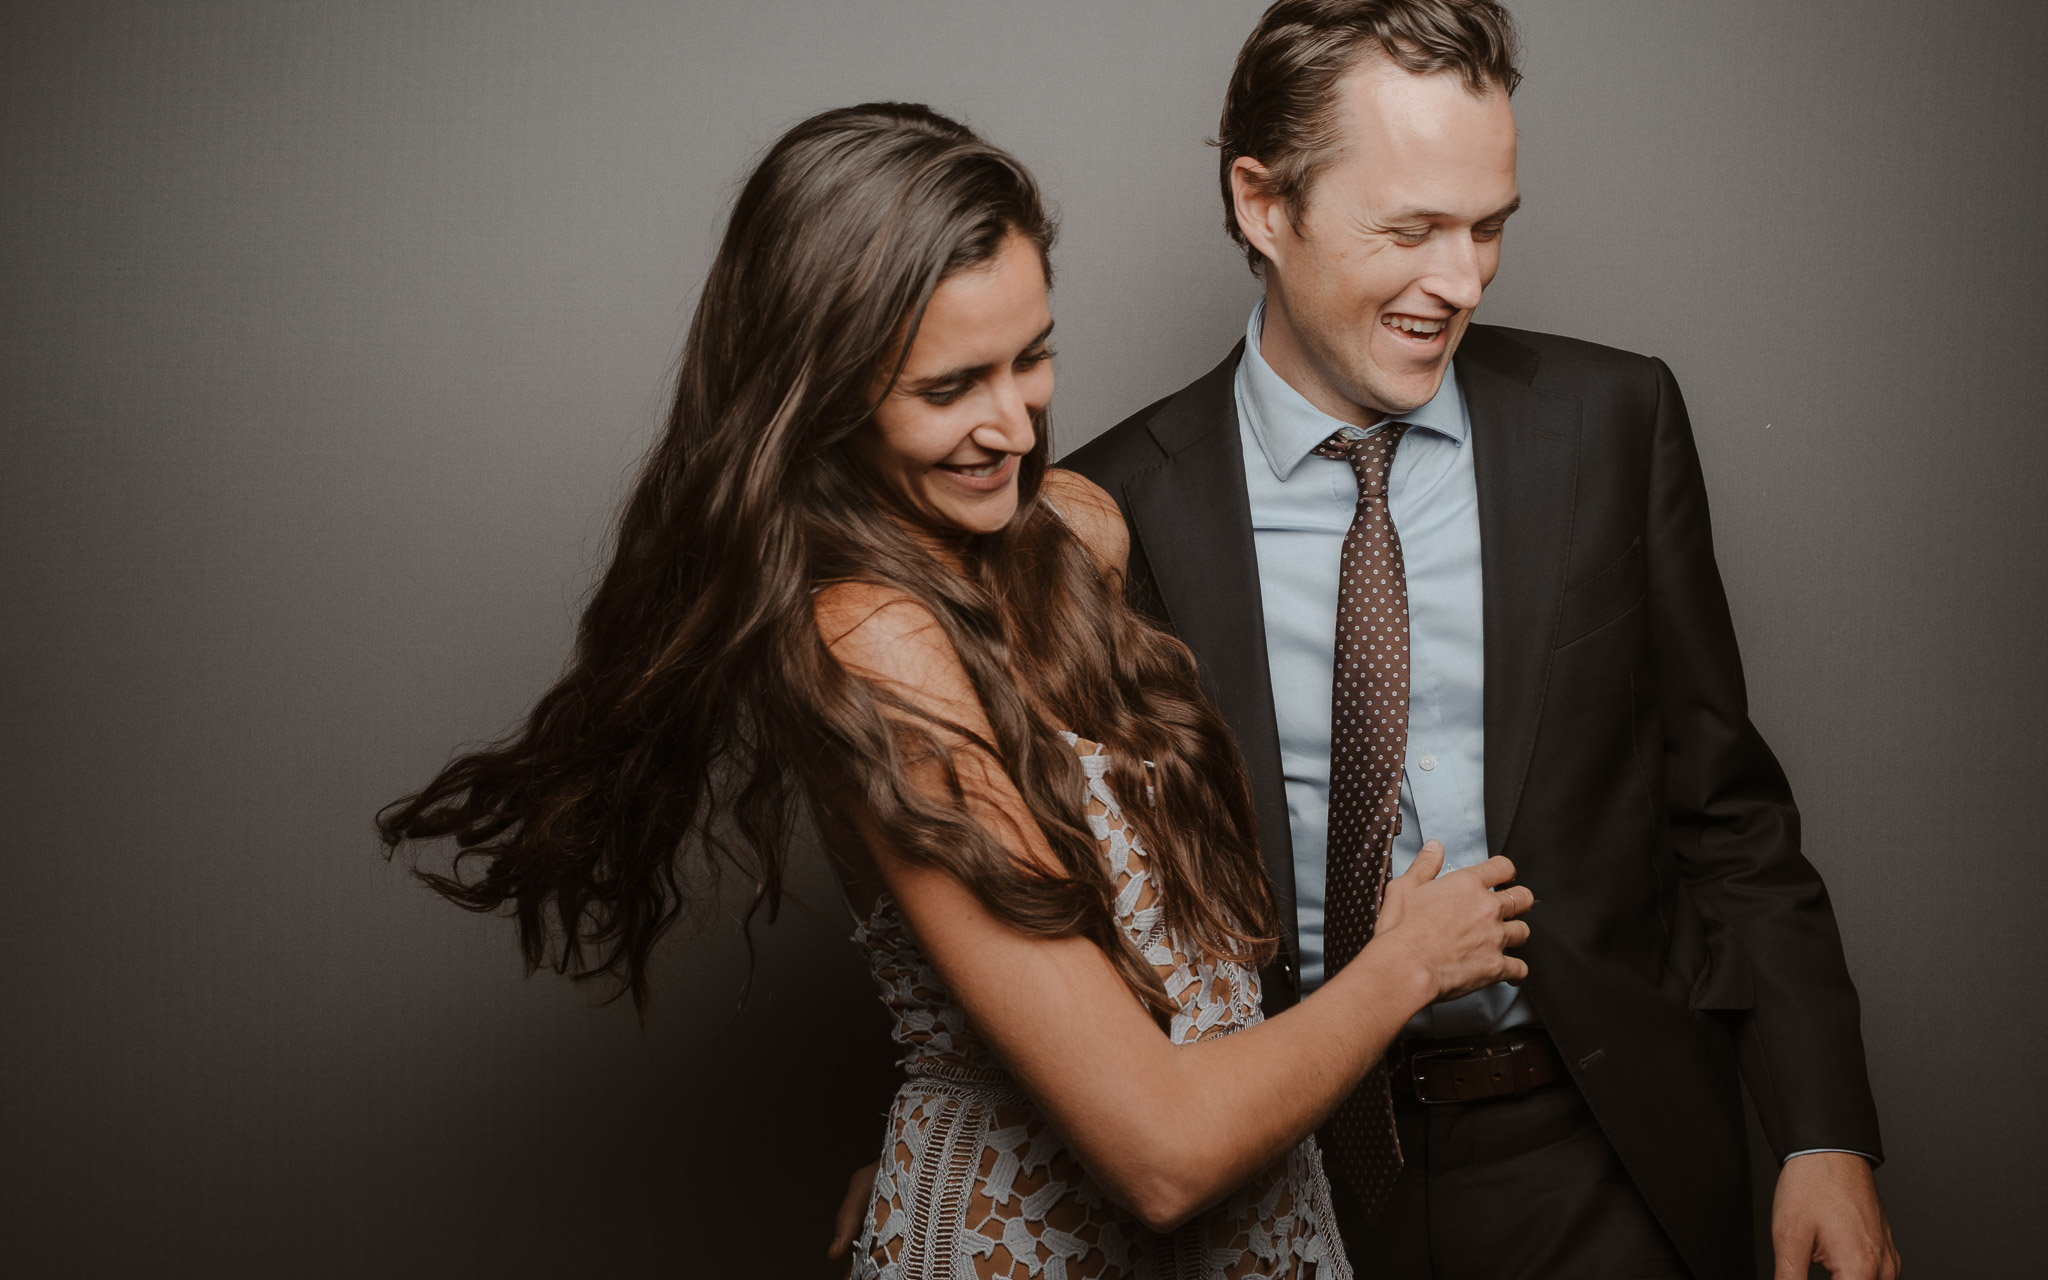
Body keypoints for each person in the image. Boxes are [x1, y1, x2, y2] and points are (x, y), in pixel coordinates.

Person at [379, 102, 1532, 1279]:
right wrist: (1403, 966)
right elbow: (1163, 1152)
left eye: (1030, 356)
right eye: (947, 387)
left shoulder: (1070, 533)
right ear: (820, 396)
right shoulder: (868, 639)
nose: (1013, 423)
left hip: (1262, 1223)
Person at [1056, 3, 1899, 1278]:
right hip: (1286, 1176)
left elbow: (1725, 813)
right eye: (1410, 229)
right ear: (1261, 204)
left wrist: (1821, 1129)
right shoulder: (1113, 512)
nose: (1461, 278)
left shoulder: (1613, 425)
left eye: (1488, 224)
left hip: (1601, 1158)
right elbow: (1053, 888)